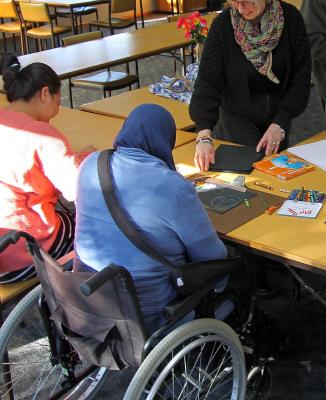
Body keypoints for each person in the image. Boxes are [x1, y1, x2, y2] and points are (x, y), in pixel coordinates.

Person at [74, 104, 227, 332]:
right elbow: (210, 255)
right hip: (148, 311)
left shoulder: (91, 163)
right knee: (233, 265)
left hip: (87, 294)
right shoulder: (173, 187)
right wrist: (221, 284)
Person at [190, 0, 311, 172]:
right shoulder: (223, 26)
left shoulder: (291, 20)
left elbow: (301, 79)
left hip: (277, 115)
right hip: (236, 117)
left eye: (247, 1)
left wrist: (281, 121)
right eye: (234, 1)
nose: (240, 9)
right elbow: (207, 81)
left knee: (276, 175)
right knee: (244, 177)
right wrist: (203, 133)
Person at [0, 55, 94, 283]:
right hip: (20, 251)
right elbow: (76, 189)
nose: (57, 111)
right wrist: (86, 158)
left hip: (3, 238)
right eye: (57, 102)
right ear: (44, 94)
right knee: (94, 226)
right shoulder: (42, 135)